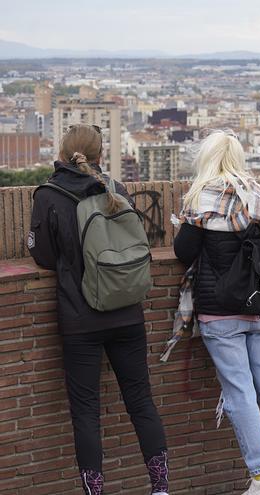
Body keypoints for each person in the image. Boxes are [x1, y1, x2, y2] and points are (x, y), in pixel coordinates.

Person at [28, 124, 170, 495]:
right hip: (127, 313)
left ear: (62, 154)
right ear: (100, 156)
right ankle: (160, 488)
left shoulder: (49, 195)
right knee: (141, 402)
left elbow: (43, 255)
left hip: (80, 320)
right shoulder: (116, 190)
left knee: (86, 413)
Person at [173, 130, 260, 495]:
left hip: (220, 313)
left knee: (240, 394)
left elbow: (183, 251)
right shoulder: (259, 199)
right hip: (259, 304)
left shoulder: (203, 199)